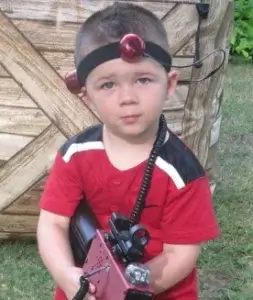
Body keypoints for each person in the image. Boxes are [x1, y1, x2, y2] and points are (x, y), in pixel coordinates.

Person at [36, 2, 219, 300]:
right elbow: (52, 223)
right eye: (108, 85)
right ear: (86, 95)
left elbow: (181, 253)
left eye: (143, 80)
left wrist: (127, 290)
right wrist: (66, 275)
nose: (128, 98)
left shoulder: (182, 172)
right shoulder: (74, 155)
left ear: (169, 83)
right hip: (87, 289)